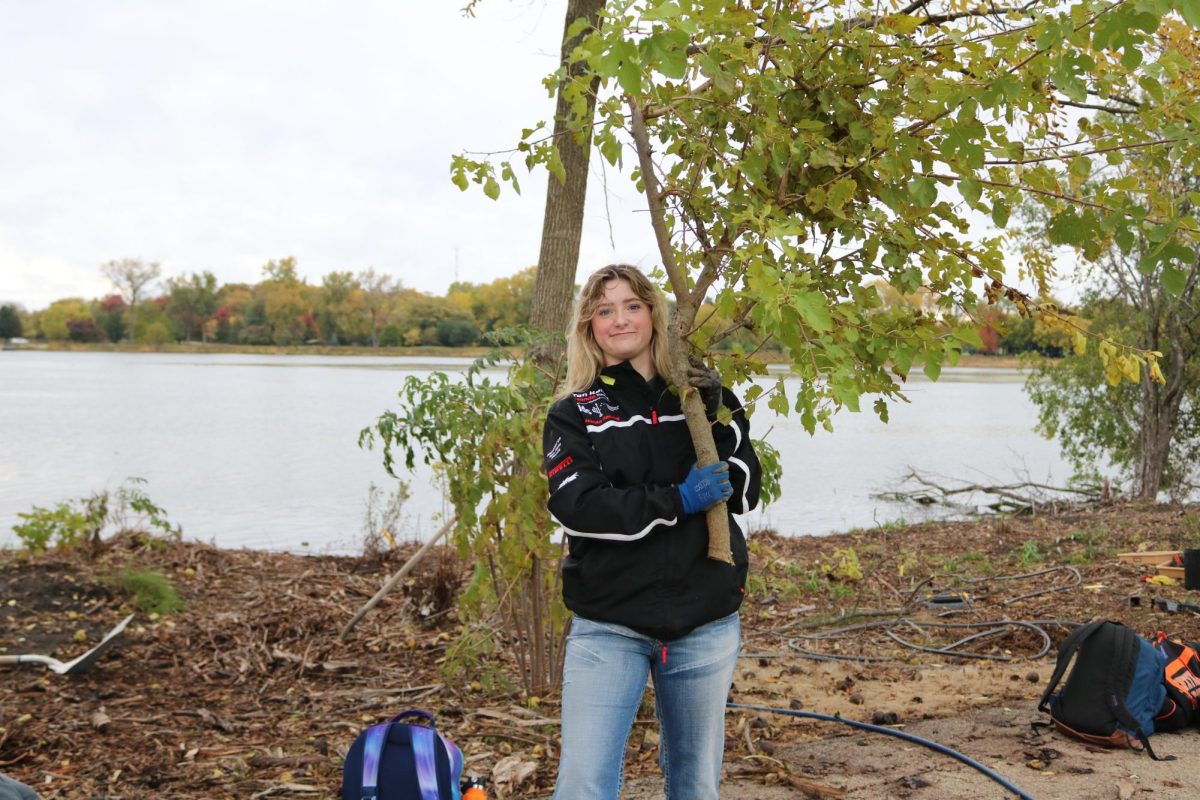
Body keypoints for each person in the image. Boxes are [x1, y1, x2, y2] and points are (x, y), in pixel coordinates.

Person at [542, 264, 762, 800]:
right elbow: (580, 508)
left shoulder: (703, 397)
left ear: (654, 313)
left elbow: (748, 486)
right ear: (589, 327)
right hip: (609, 621)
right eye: (604, 310)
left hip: (704, 618)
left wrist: (719, 418)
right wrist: (678, 500)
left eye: (632, 305)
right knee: (583, 785)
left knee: (695, 784)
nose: (620, 319)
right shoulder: (575, 412)